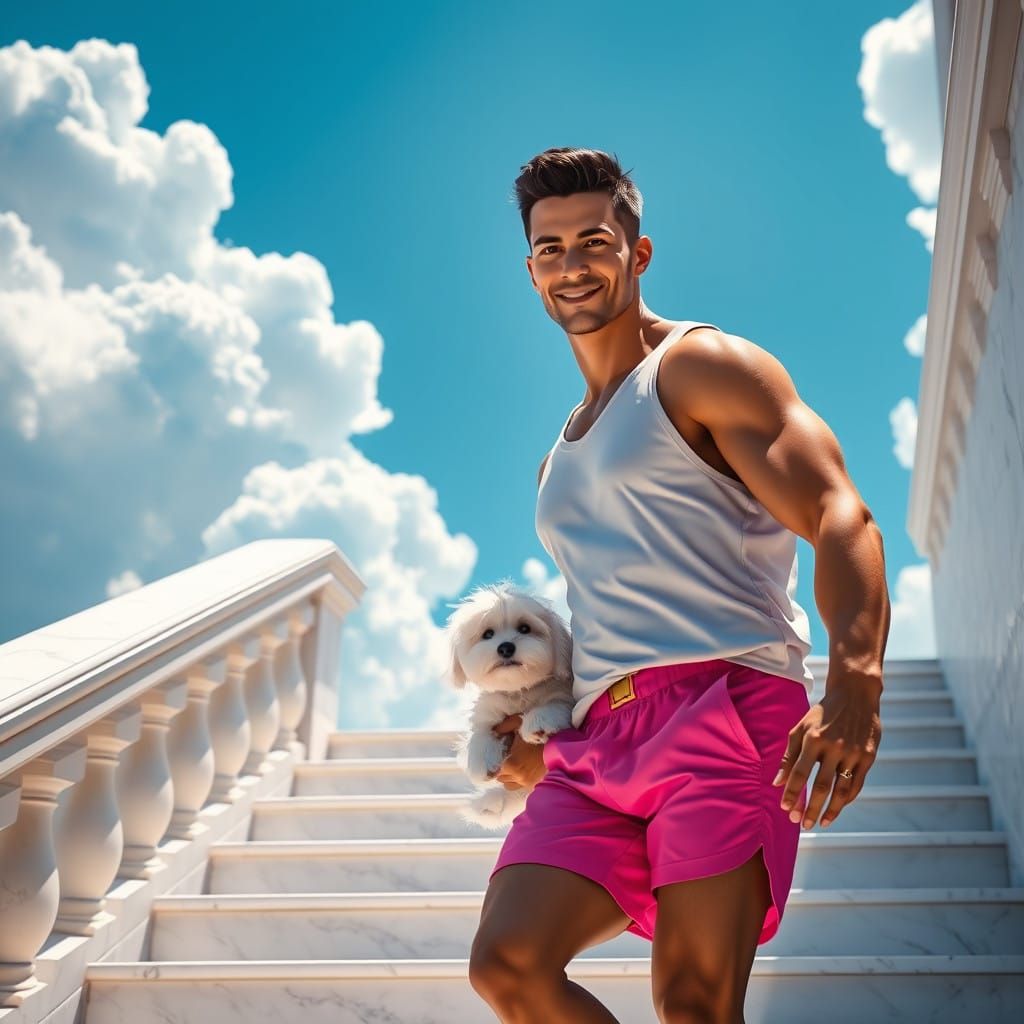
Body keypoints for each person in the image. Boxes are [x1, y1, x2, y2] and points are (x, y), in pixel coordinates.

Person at [467, 147, 890, 1024]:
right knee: (509, 966)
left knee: (694, 1003)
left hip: (726, 704)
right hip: (599, 738)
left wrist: (855, 682)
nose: (572, 265)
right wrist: (546, 735)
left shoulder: (701, 366)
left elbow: (841, 515)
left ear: (639, 252)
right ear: (530, 269)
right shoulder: (561, 451)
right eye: (550, 249)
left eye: (594, 240)